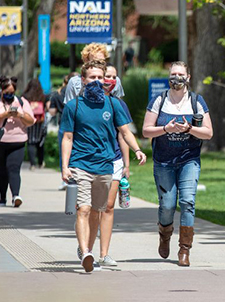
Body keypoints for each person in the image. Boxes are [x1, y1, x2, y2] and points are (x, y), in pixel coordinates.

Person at [61, 60, 146, 272]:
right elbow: (68, 137)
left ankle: (87, 250)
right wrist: (64, 166)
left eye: (100, 78)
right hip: (80, 164)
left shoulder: (113, 104)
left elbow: (125, 132)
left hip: (105, 165)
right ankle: (86, 252)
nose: (97, 81)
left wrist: (137, 150)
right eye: (92, 78)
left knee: (97, 211)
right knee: (84, 208)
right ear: (83, 80)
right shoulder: (74, 106)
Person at [142, 61, 213, 267]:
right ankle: (165, 236)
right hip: (164, 161)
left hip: (189, 160)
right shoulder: (159, 100)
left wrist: (189, 129)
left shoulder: (196, 101)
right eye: (173, 74)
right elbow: (146, 130)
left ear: (188, 78)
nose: (177, 78)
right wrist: (166, 128)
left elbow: (208, 133)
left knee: (188, 202)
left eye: (181, 74)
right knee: (167, 205)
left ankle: (184, 249)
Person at [85, 64, 134, 267]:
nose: (109, 80)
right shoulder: (83, 103)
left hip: (113, 160)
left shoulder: (118, 104)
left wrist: (126, 163)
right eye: (107, 76)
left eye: (114, 77)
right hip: (90, 160)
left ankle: (104, 254)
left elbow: (123, 134)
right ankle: (86, 247)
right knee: (91, 208)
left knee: (108, 207)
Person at [58, 43, 124, 191]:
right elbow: (69, 112)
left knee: (102, 203)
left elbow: (118, 109)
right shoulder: (75, 83)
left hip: (105, 138)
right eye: (93, 61)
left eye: (101, 62)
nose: (97, 65)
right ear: (85, 62)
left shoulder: (115, 81)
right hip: (81, 137)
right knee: (83, 203)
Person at [0, 76, 35, 207]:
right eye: (6, 93)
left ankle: (15, 196)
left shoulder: (21, 102)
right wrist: (4, 115)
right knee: (1, 170)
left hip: (17, 141)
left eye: (12, 93)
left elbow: (31, 121)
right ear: (1, 90)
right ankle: (2, 198)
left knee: (14, 169)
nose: (9, 95)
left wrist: (20, 115)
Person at [23, 79, 48, 170]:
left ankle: (32, 164)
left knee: (31, 142)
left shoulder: (25, 97)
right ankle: (41, 162)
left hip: (29, 121)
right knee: (40, 142)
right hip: (40, 122)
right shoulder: (42, 96)